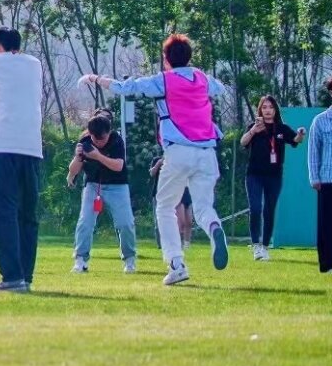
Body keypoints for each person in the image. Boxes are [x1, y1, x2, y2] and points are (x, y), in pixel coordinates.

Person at [85, 34, 230, 286]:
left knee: (164, 207)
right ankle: (215, 228)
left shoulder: (163, 80)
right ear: (189, 57)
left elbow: (125, 88)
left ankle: (176, 264)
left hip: (179, 151)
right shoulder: (202, 78)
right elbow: (221, 88)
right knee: (204, 207)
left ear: (166, 59)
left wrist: (96, 79)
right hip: (207, 152)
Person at [0, 28, 43, 293]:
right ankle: (26, 275)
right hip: (31, 146)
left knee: (3, 212)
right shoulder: (35, 63)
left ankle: (11, 276)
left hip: (3, 145)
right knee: (27, 214)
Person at [69, 112, 137, 274]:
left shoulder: (116, 140)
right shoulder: (85, 142)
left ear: (109, 132)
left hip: (117, 186)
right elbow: (73, 170)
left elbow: (118, 166)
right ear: (90, 133)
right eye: (96, 139)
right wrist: (78, 158)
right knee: (85, 222)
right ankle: (81, 260)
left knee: (125, 223)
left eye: (102, 139)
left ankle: (129, 259)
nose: (99, 142)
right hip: (93, 185)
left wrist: (97, 156)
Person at [241, 94, 304, 261]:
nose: (268, 110)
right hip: (254, 174)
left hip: (274, 176)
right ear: (260, 110)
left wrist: (300, 134)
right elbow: (243, 142)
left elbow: (295, 140)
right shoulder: (254, 126)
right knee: (255, 208)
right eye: (264, 107)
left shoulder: (282, 128)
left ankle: (265, 246)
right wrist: (253, 131)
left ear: (275, 110)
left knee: (269, 210)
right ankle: (256, 245)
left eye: (270, 107)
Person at [308, 77, 332, 274]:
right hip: (327, 180)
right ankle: (328, 262)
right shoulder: (320, 120)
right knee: (327, 224)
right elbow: (313, 151)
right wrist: (314, 177)